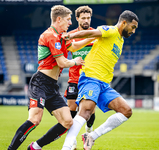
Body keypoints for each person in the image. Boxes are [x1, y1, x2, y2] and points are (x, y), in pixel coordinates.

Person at [7, 5, 95, 150]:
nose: (70, 23)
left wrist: (91, 37)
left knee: (68, 121)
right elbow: (62, 62)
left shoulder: (60, 36)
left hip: (52, 86)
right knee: (35, 119)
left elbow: (73, 47)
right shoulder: (50, 36)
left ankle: (35, 147)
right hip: (41, 82)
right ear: (58, 19)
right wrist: (75, 62)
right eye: (68, 19)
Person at [61, 10, 139, 150]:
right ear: (124, 23)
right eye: (133, 27)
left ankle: (91, 136)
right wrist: (71, 35)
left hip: (104, 84)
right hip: (91, 77)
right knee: (85, 112)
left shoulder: (119, 40)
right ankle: (66, 147)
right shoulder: (111, 30)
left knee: (126, 111)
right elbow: (91, 33)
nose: (133, 31)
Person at [63, 5, 95, 150]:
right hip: (74, 78)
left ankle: (89, 132)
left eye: (88, 18)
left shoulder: (96, 34)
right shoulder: (71, 34)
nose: (86, 20)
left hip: (91, 78)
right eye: (83, 18)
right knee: (72, 109)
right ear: (77, 19)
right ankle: (72, 140)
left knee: (90, 112)